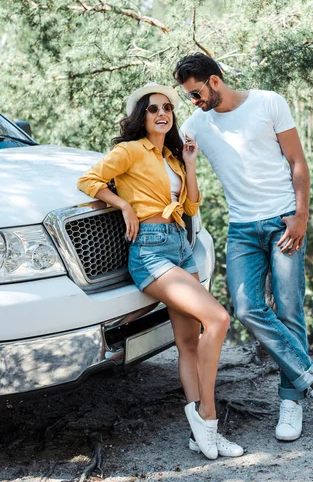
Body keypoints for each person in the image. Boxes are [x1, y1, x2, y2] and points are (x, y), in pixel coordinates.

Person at [174, 54, 313, 441]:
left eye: (197, 93)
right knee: (247, 307)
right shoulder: (195, 125)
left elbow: (297, 161)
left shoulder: (269, 102)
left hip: (284, 219)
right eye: (189, 97)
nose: (194, 102)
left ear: (215, 81)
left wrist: (301, 215)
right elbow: (161, 154)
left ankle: (291, 402)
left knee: (288, 311)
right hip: (242, 229)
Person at [77, 82, 243, 460]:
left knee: (188, 341)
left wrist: (189, 164)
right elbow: (89, 180)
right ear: (142, 116)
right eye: (153, 108)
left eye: (167, 107)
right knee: (218, 319)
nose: (161, 113)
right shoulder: (130, 151)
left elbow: (191, 206)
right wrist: (124, 205)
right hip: (150, 251)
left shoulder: (171, 158)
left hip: (179, 246)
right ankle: (208, 417)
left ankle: (199, 434)